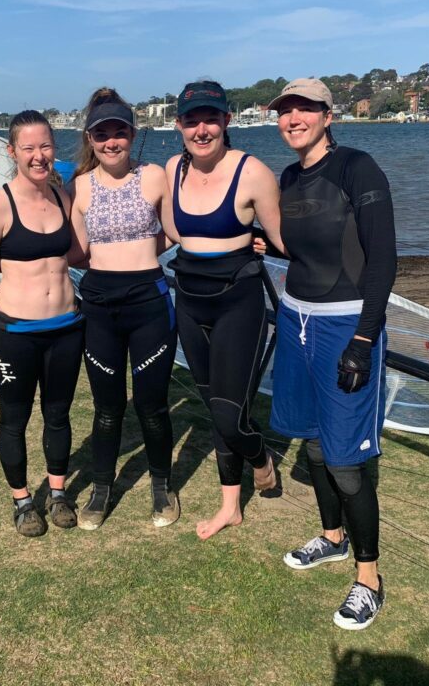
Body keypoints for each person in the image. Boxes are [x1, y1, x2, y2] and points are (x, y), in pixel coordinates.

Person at [267, 78, 396, 630]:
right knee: (315, 443)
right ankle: (333, 538)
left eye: (303, 109)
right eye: (284, 110)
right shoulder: (289, 176)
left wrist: (363, 340)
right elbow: (303, 245)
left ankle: (369, 579)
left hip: (345, 325)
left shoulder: (358, 168)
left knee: (345, 460)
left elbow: (383, 258)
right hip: (295, 317)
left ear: (326, 114)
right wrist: (263, 243)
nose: (292, 117)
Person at [163, 80, 285, 541]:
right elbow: (174, 233)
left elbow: (281, 238)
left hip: (238, 300)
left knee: (230, 414)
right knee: (214, 407)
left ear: (226, 121)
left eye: (210, 118)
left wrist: (268, 242)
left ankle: (261, 459)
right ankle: (230, 507)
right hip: (190, 300)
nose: (201, 129)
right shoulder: (173, 167)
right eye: (191, 120)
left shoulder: (252, 172)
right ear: (178, 126)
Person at [67, 88, 180, 530]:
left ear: (132, 134)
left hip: (149, 303)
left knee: (152, 405)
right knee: (107, 407)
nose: (111, 142)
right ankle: (101, 489)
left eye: (120, 133)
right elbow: (75, 252)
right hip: (99, 306)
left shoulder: (154, 176)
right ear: (90, 139)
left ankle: (161, 487)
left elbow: (176, 229)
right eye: (102, 134)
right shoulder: (78, 186)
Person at [0, 110, 83, 538]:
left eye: (46, 146)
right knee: (14, 419)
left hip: (66, 328)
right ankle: (22, 501)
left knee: (58, 415)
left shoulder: (61, 197)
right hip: (15, 333)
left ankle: (57, 493)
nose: (39, 156)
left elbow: (76, 253)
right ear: (12, 151)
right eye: (29, 148)